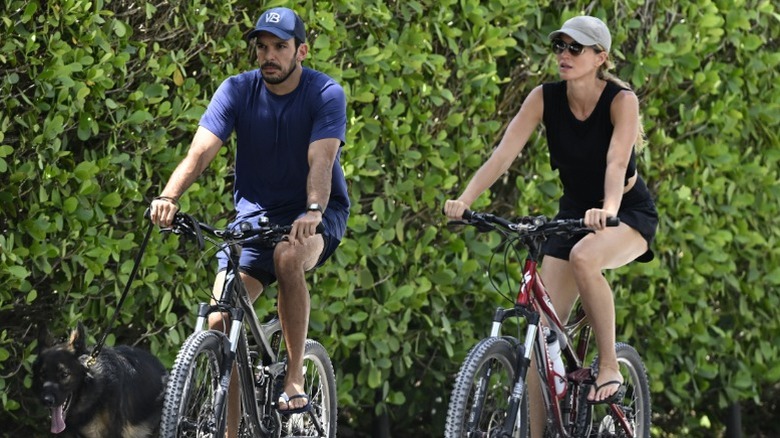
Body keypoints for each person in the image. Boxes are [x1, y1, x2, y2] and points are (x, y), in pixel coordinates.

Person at [443, 15, 658, 437]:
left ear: (601, 57)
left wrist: (608, 209)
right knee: (540, 340)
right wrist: (465, 201)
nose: (564, 55)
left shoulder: (621, 100)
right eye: (560, 46)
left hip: (625, 212)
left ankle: (610, 365)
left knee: (585, 257)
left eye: (575, 48)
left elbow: (616, 162)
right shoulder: (544, 97)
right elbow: (503, 154)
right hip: (574, 210)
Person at [149, 6, 349, 437]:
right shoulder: (237, 90)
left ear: (301, 51)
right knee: (222, 320)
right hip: (254, 221)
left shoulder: (325, 93)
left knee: (288, 257)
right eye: (262, 47)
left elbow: (322, 158)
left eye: (280, 46)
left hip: (315, 216)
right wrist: (169, 196)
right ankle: (231, 431)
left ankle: (294, 376)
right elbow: (200, 152)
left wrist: (312, 210)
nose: (269, 55)